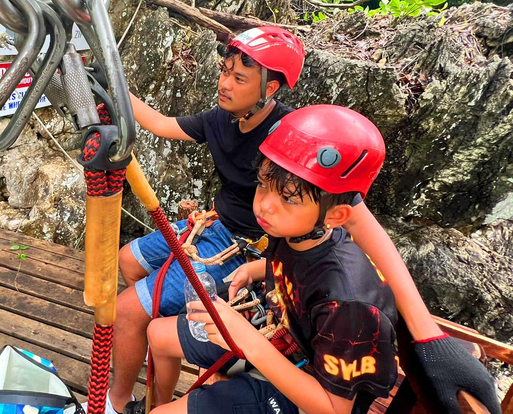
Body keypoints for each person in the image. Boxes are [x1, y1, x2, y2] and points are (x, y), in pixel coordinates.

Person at [104, 27, 498, 414]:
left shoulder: (296, 144)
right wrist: (111, 83)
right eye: (225, 71)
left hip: (270, 312)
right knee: (137, 280)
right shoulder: (284, 225)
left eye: (239, 77)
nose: (266, 206)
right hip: (264, 296)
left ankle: (123, 399)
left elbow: (360, 223)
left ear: (269, 89)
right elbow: (160, 123)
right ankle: (153, 369)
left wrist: (427, 333)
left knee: (130, 311)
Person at [146, 104, 398, 414]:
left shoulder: (349, 306)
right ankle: (158, 403)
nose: (265, 206)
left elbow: (334, 409)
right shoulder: (296, 232)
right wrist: (254, 270)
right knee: (157, 334)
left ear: (335, 215)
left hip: (306, 391)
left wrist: (250, 341)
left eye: (288, 199)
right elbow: (299, 271)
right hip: (280, 336)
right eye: (263, 186)